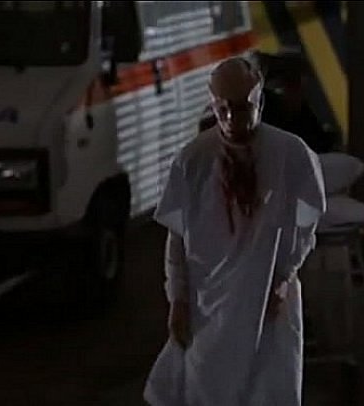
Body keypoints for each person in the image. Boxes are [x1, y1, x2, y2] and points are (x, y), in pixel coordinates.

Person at [143, 57, 327, 406]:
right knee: (207, 385)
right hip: (209, 300)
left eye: (242, 108)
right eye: (223, 109)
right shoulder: (193, 160)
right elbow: (177, 238)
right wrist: (178, 298)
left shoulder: (290, 154)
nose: (232, 119)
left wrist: (284, 276)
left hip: (267, 295)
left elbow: (305, 226)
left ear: (259, 101)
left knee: (267, 384)